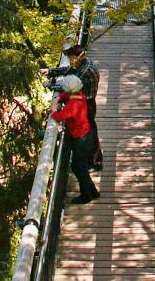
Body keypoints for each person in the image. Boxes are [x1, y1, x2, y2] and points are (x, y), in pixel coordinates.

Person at [46, 44, 103, 171]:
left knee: (90, 132)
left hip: (87, 104)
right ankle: (91, 160)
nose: (70, 59)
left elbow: (69, 86)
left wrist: (51, 86)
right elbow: (69, 70)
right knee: (90, 130)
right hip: (85, 101)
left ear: (77, 57)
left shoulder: (84, 71)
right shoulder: (84, 63)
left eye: (71, 57)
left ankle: (95, 162)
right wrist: (51, 71)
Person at [49, 75, 100, 204]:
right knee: (79, 166)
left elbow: (60, 116)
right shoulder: (79, 95)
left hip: (81, 139)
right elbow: (66, 96)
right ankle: (92, 191)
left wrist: (54, 109)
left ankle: (86, 195)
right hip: (85, 136)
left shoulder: (73, 105)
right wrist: (59, 98)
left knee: (78, 167)